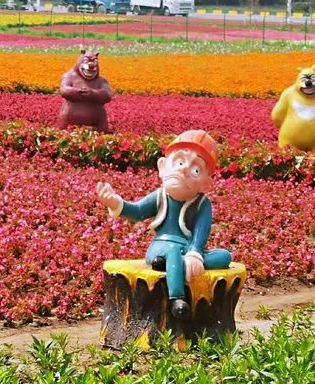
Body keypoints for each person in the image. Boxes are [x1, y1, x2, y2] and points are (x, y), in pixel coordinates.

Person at [96, 130, 232, 319]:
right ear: (162, 167)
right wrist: (115, 203)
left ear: (206, 183)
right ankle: (177, 298)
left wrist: (194, 254)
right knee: (173, 253)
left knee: (224, 257)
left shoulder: (202, 204)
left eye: (196, 170)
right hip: (162, 246)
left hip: (188, 251)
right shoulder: (160, 196)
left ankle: (176, 266)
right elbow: (137, 212)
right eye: (179, 162)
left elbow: (201, 233)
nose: (184, 170)